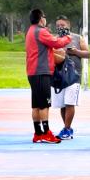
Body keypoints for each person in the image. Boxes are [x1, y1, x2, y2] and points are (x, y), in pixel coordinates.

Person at [25, 9, 71, 144]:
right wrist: (67, 37)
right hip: (41, 71)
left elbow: (48, 45)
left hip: (33, 72)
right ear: (40, 19)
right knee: (44, 104)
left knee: (36, 105)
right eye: (44, 16)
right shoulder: (41, 31)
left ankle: (38, 133)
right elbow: (57, 43)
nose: (45, 19)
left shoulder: (31, 30)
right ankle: (46, 133)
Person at [52, 15, 90, 140]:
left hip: (74, 75)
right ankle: (67, 128)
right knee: (62, 104)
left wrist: (75, 52)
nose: (60, 28)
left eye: (62, 25)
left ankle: (67, 129)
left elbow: (88, 53)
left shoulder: (78, 38)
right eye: (58, 26)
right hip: (59, 75)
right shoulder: (54, 39)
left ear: (68, 25)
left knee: (70, 103)